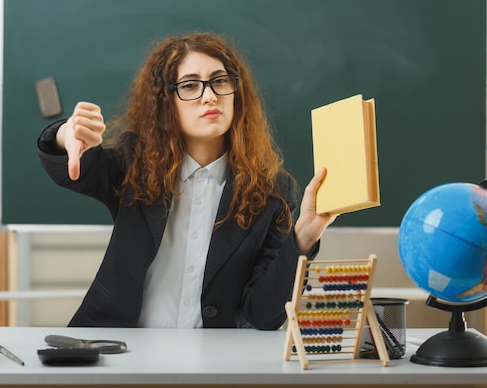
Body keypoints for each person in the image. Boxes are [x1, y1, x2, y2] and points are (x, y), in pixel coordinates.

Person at [37, 32, 336, 329]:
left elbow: (264, 314)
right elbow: (74, 169)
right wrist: (66, 135)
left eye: (220, 81)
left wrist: (304, 237)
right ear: (165, 101)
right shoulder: (135, 163)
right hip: (120, 350)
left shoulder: (273, 190)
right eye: (190, 85)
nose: (210, 96)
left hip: (213, 363)